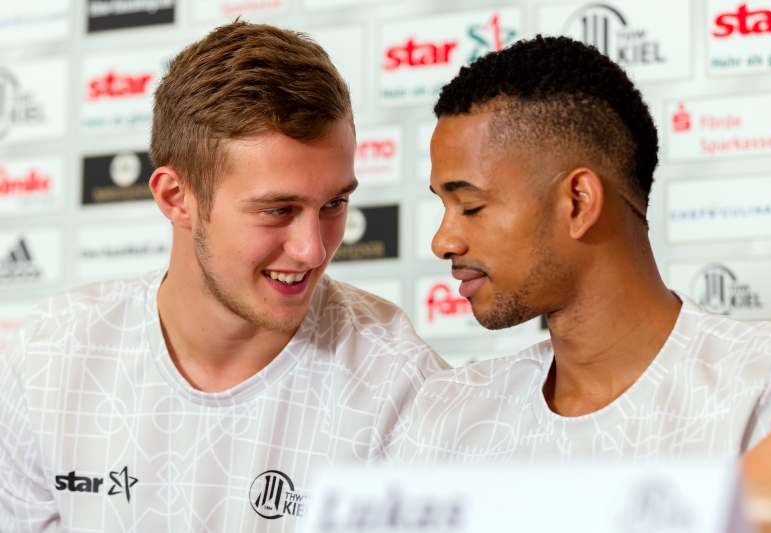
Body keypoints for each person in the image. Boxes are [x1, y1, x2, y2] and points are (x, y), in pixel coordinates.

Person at [0, 21, 447, 532]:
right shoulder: (49, 357)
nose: (313, 249)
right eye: (278, 210)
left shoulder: (400, 385)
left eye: (334, 204)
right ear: (176, 197)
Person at [397, 36, 771, 483]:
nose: (442, 241)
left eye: (471, 207)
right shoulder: (446, 414)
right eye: (444, 206)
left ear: (579, 202)